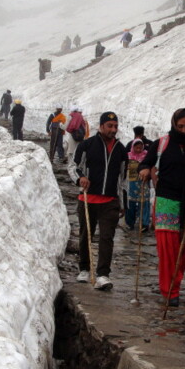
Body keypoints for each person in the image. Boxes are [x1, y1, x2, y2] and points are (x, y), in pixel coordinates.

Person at [139, 109, 185, 307]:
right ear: (173, 124)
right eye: (180, 126)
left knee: (184, 250)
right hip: (167, 202)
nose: (184, 130)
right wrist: (145, 170)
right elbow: (145, 163)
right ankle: (169, 290)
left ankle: (175, 284)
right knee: (168, 251)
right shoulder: (162, 144)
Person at [73, 112, 128, 291]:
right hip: (88, 198)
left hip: (110, 201)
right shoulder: (87, 145)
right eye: (109, 126)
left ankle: (103, 274)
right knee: (85, 235)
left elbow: (124, 179)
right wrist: (80, 178)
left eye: (115, 126)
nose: (113, 129)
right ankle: (84, 269)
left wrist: (123, 202)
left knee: (107, 238)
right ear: (101, 126)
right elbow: (73, 166)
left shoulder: (121, 150)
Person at [125, 139, 151, 232]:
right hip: (131, 184)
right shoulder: (128, 156)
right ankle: (129, 223)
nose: (139, 150)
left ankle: (144, 224)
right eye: (137, 148)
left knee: (144, 204)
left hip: (143, 183)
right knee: (130, 204)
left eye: (141, 148)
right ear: (133, 147)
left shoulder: (146, 156)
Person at [65, 106, 90, 177]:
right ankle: (77, 168)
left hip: (73, 137)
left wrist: (61, 125)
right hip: (81, 137)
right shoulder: (83, 118)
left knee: (71, 153)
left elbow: (67, 127)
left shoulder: (72, 117)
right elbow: (86, 128)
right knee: (79, 152)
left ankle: (71, 170)